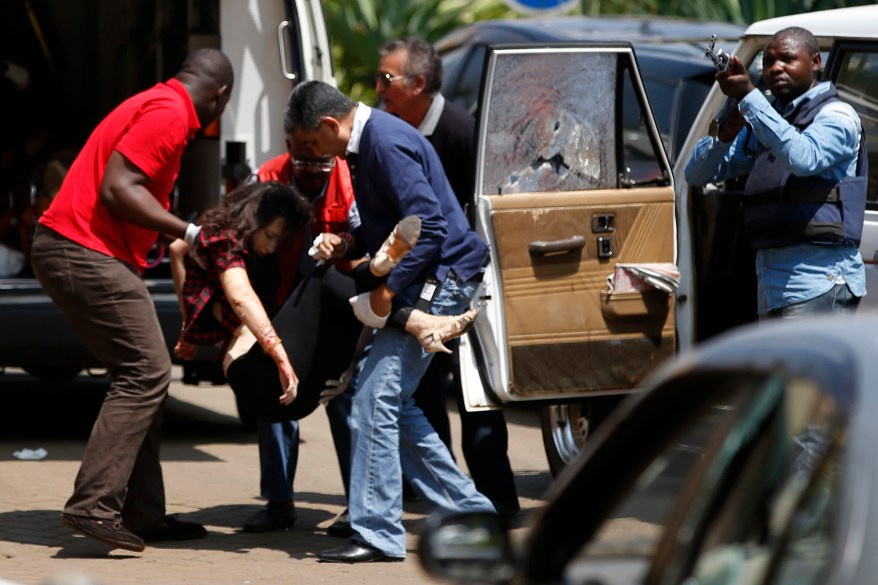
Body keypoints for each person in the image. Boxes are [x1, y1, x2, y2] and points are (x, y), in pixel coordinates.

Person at [283, 80, 496, 564]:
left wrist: (385, 290)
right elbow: (392, 225)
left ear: (330, 125)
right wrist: (348, 243)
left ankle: (380, 532)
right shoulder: (365, 144)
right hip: (433, 275)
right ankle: (472, 516)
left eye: (314, 145)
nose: (316, 157)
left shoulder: (383, 141)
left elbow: (432, 226)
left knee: (377, 397)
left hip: (442, 276)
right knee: (385, 401)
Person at [30, 48, 234, 552]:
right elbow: (118, 190)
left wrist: (182, 234)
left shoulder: (158, 102)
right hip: (82, 249)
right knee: (146, 372)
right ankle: (93, 506)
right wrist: (188, 229)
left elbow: (130, 194)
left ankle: (142, 514)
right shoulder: (170, 113)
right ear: (220, 96)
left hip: (80, 249)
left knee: (142, 378)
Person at [376, 36, 520, 518]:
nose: (378, 89)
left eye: (386, 79)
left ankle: (497, 500)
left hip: (466, 276)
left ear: (418, 84)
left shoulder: (459, 129)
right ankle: (439, 493)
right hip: (425, 277)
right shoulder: (394, 129)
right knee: (424, 387)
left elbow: (480, 204)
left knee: (476, 393)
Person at [685, 27, 867, 319]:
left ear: (816, 62)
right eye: (768, 61)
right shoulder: (770, 119)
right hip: (774, 288)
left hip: (819, 284)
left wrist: (750, 95)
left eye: (787, 58)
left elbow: (802, 157)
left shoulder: (837, 116)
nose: (775, 68)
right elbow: (696, 174)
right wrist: (725, 129)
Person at [239, 133, 361, 535]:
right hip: (278, 301)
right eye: (303, 162)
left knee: (342, 398)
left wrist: (342, 243)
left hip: (336, 311)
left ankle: (358, 506)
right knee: (271, 392)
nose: (311, 170)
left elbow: (370, 237)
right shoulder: (268, 176)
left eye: (320, 163)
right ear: (291, 144)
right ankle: (278, 503)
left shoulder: (350, 177)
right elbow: (242, 234)